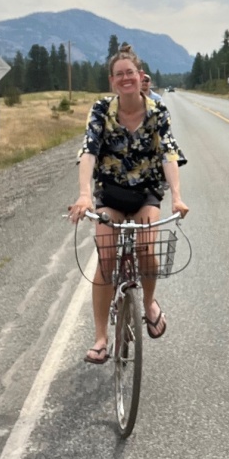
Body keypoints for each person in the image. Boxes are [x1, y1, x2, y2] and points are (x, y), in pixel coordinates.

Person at [68, 45, 189, 364]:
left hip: (146, 192)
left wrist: (176, 195)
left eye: (130, 73)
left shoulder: (157, 112)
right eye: (119, 74)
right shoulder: (101, 111)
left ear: (140, 77)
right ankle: (100, 338)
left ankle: (148, 303)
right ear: (113, 81)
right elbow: (89, 152)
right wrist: (84, 194)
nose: (125, 78)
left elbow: (168, 153)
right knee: (106, 257)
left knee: (147, 248)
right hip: (110, 193)